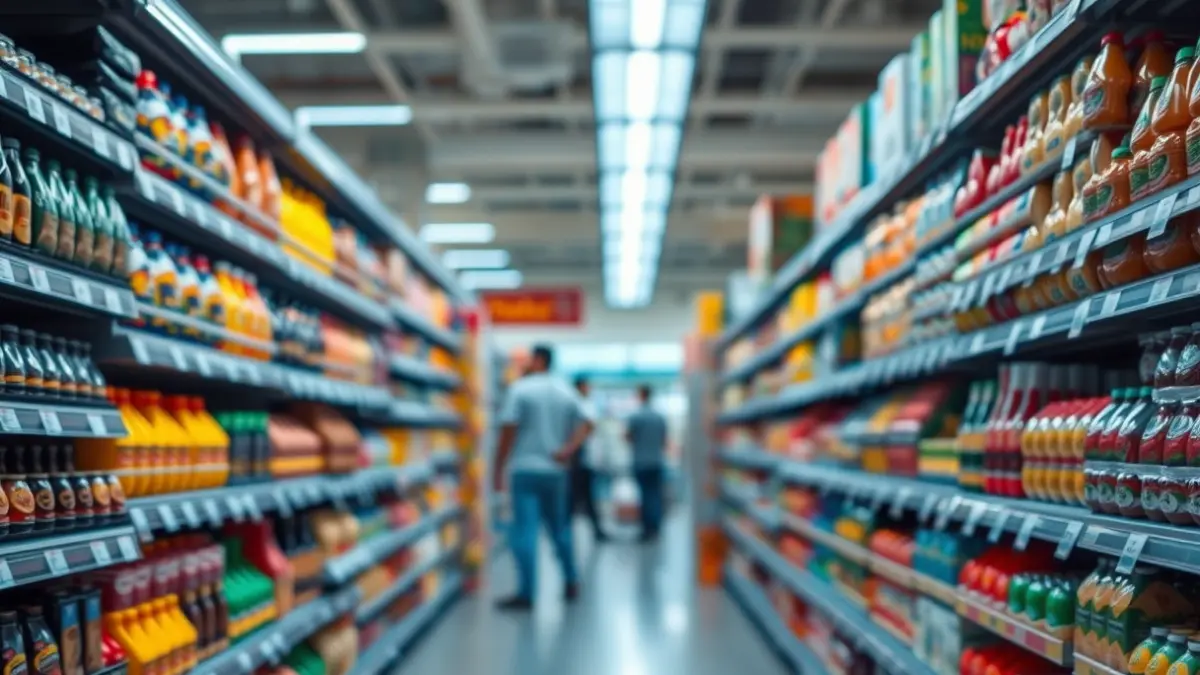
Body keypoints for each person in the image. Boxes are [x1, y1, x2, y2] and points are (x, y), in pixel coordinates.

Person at [493, 344, 594, 610]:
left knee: (524, 531)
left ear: (538, 360)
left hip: (524, 469)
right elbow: (589, 421)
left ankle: (527, 593)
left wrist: (498, 467)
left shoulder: (521, 389)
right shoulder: (565, 390)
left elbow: (508, 430)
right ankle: (571, 580)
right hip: (556, 471)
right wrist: (569, 449)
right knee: (560, 528)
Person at [625, 384, 668, 541]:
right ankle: (655, 527)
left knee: (644, 496)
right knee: (655, 495)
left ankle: (647, 530)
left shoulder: (636, 416)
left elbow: (628, 437)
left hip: (641, 462)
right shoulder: (659, 417)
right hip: (656, 461)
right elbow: (664, 440)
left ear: (641, 395)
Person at [570, 376, 607, 541]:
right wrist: (571, 449)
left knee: (583, 497)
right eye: (587, 386)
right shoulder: (577, 405)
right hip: (578, 460)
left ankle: (596, 530)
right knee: (578, 498)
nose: (589, 389)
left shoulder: (584, 404)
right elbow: (588, 426)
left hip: (584, 459)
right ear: (580, 387)